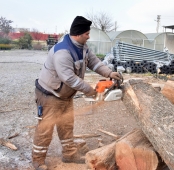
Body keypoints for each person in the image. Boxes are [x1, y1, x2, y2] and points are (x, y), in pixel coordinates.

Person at [32, 16, 121, 170]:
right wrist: (90, 91)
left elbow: (94, 62)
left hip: (65, 95)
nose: (89, 36)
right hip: (50, 95)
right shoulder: (62, 52)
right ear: (78, 34)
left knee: (67, 126)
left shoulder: (83, 47)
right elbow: (69, 79)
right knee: (45, 128)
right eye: (87, 34)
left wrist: (109, 74)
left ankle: (69, 154)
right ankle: (38, 160)